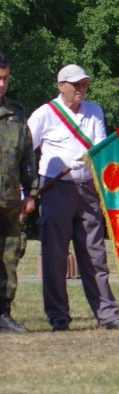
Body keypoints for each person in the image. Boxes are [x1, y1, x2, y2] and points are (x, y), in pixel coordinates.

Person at [28, 64, 119, 331]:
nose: (81, 89)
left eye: (84, 84)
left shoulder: (94, 110)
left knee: (95, 254)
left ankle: (107, 314)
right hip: (56, 188)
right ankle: (58, 317)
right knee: (55, 256)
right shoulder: (45, 113)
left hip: (87, 187)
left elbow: (100, 145)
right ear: (61, 85)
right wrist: (27, 187)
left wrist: (89, 159)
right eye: (76, 84)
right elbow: (25, 149)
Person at [0, 53, 38, 333]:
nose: (1, 84)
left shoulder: (16, 114)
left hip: (9, 202)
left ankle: (3, 313)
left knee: (9, 257)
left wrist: (31, 194)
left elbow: (27, 158)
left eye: (5, 78)